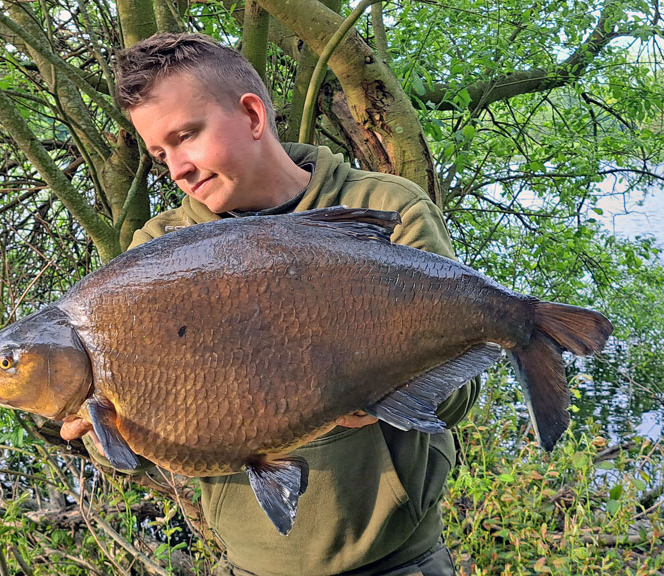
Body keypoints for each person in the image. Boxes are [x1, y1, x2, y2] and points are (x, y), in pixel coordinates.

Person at [67, 32, 479, 576]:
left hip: (397, 558)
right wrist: (106, 436)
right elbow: (145, 447)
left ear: (253, 115)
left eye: (186, 136)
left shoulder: (382, 207)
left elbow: (457, 396)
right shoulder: (155, 253)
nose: (177, 168)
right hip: (251, 561)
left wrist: (355, 390)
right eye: (159, 153)